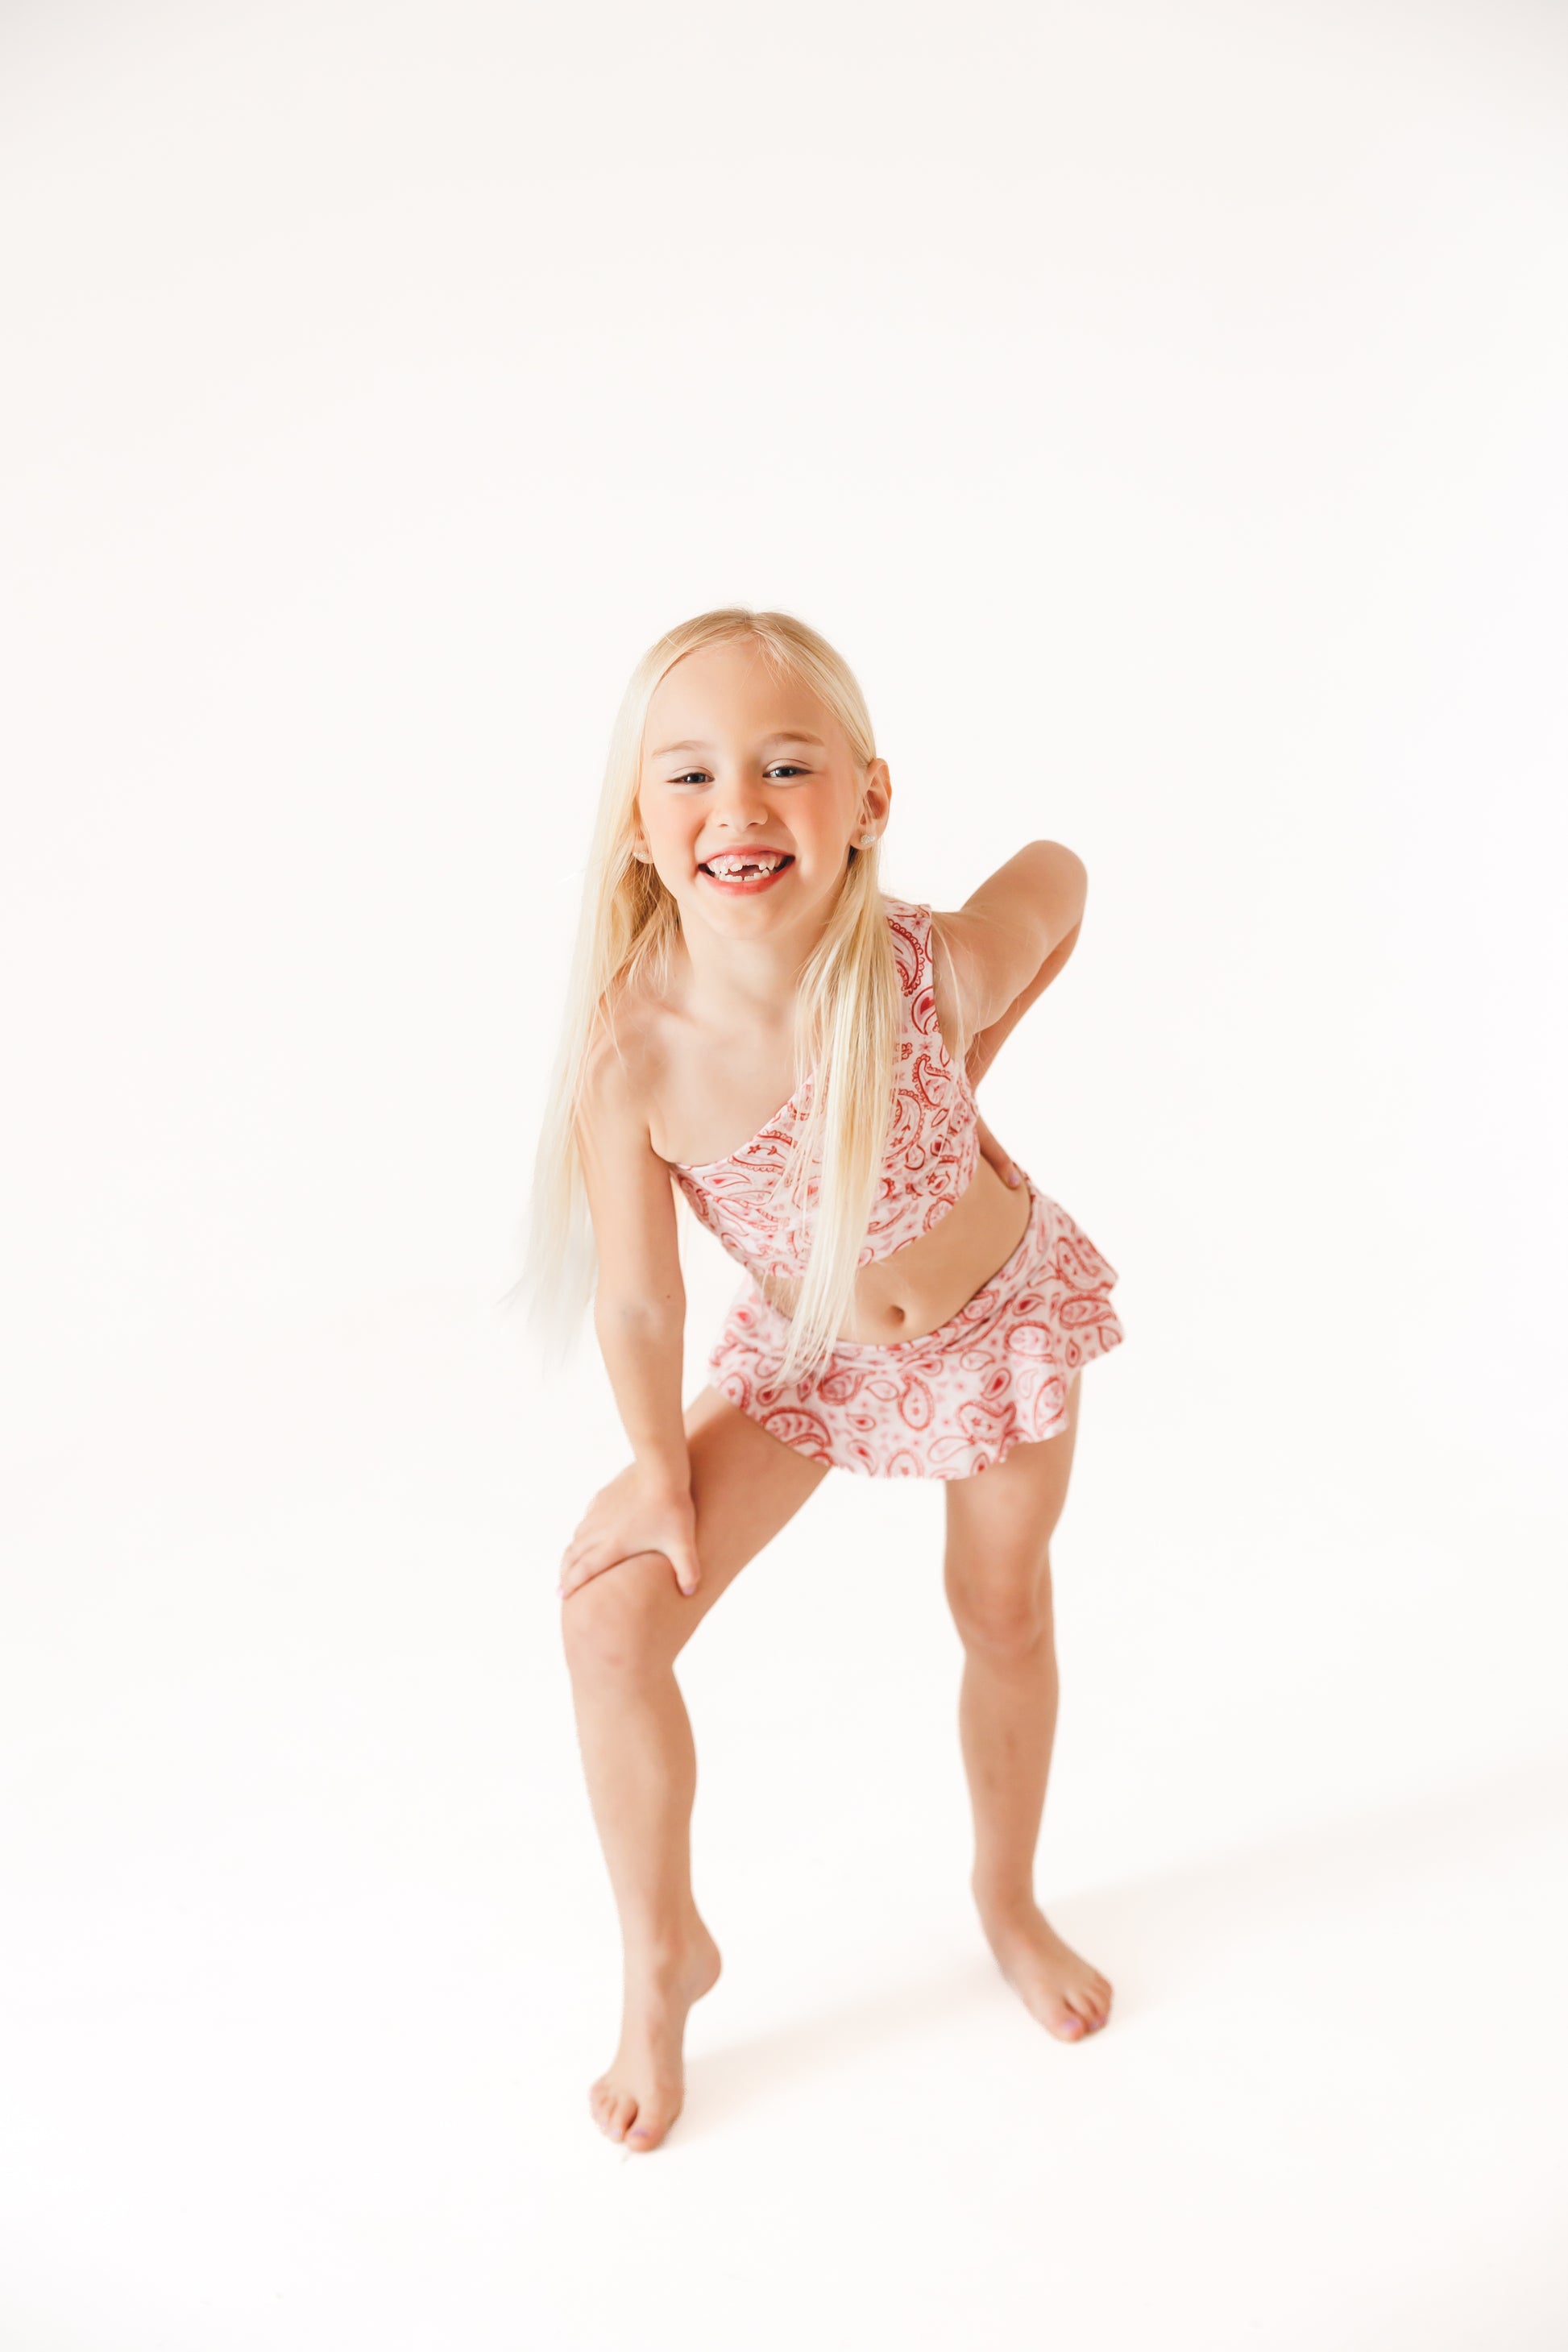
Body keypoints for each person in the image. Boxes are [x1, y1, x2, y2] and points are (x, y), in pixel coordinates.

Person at [516, 606, 1126, 2152]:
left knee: (1002, 1608)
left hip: (996, 1324)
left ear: (866, 802)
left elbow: (1055, 879)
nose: (740, 806)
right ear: (641, 832)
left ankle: (1004, 1896)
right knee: (606, 1621)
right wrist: (657, 1466)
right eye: (692, 777)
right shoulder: (631, 1056)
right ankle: (666, 1960)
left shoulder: (924, 970)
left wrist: (966, 1072)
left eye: (789, 767)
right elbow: (643, 1299)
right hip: (810, 1364)